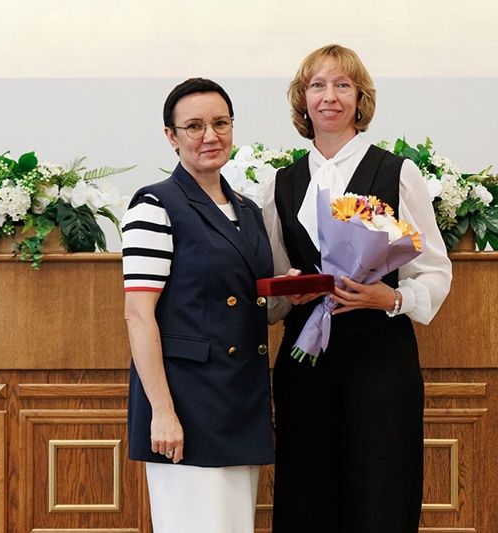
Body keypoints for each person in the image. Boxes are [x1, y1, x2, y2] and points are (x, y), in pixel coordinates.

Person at [263, 45, 453, 532]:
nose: (329, 97)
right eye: (318, 85)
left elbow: (434, 269)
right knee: (306, 494)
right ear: (303, 99)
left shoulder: (397, 173)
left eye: (342, 85)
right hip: (305, 360)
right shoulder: (280, 184)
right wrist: (290, 291)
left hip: (380, 357)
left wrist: (391, 298)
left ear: (360, 99)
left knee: (381, 490)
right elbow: (274, 288)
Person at [122, 77, 274, 533]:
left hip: (239, 398)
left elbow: (246, 300)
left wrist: (289, 293)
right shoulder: (155, 204)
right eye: (194, 126)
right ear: (171, 136)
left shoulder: (248, 210)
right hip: (187, 404)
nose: (210, 136)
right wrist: (163, 412)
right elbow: (138, 315)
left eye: (220, 123)